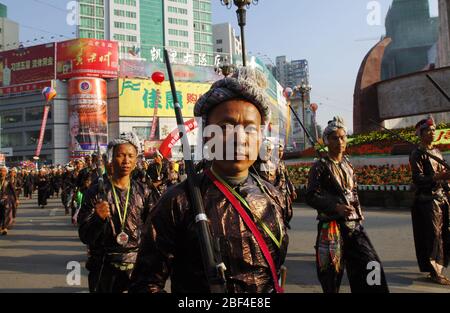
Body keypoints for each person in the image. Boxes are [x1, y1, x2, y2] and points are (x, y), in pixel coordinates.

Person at [130, 67, 291, 293]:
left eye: (250, 129)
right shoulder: (178, 202)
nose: (240, 138)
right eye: (226, 127)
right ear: (206, 134)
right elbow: (145, 284)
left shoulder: (274, 196)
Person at [305, 116, 389, 293]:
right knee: (331, 274)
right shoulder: (320, 166)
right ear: (326, 141)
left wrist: (358, 212)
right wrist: (336, 207)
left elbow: (354, 192)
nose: (340, 141)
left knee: (370, 263)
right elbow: (311, 196)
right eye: (334, 138)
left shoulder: (347, 163)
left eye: (342, 137)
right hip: (331, 227)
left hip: (353, 225)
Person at [77, 132, 157, 293]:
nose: (126, 160)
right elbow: (85, 235)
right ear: (111, 159)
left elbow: (156, 230)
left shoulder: (145, 191)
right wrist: (98, 219)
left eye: (130, 156)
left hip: (137, 267)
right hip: (104, 268)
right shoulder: (96, 192)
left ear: (136, 161)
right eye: (121, 155)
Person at [409, 116, 450, 285]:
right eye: (428, 131)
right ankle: (435, 272)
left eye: (433, 130)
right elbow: (418, 179)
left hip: (441, 198)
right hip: (427, 200)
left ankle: (438, 267)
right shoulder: (417, 154)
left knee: (444, 234)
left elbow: (445, 175)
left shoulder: (437, 152)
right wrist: (438, 176)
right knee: (433, 236)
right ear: (421, 134)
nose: (432, 133)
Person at [0, 166, 17, 235]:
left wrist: (16, 199)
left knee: (6, 213)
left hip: (6, 199)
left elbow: (13, 190)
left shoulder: (8, 180)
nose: (2, 172)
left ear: (6, 172)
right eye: (1, 171)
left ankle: (5, 228)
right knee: (0, 214)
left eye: (3, 171)